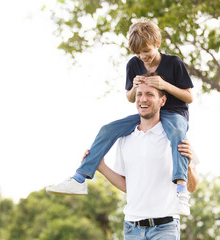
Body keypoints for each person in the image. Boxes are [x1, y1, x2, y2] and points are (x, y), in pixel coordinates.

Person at [46, 19, 194, 214]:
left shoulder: (173, 63)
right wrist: (134, 86)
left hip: (174, 113)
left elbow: (189, 96)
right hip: (147, 112)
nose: (143, 57)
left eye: (146, 52)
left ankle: (181, 193)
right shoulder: (134, 64)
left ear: (157, 44)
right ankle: (80, 177)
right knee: (108, 129)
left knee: (176, 134)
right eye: (138, 53)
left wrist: (163, 85)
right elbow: (130, 97)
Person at [92, 83, 199, 239]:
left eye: (150, 94)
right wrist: (102, 167)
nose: (143, 99)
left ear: (162, 101)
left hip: (165, 228)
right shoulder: (124, 138)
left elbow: (193, 186)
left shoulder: (177, 136)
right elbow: (129, 186)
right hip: (131, 228)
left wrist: (188, 166)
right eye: (139, 94)